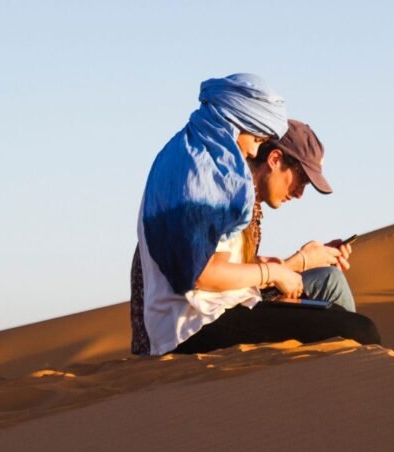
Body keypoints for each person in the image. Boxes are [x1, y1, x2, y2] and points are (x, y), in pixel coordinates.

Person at [130, 74, 379, 356]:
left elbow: (214, 259)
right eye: (258, 138)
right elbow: (202, 273)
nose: (255, 150)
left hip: (210, 309)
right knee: (359, 331)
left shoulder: (202, 159)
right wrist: (275, 271)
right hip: (193, 326)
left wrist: (288, 265)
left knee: (330, 291)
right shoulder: (204, 172)